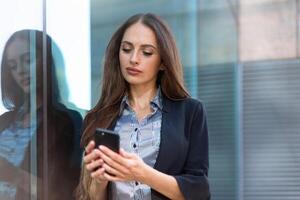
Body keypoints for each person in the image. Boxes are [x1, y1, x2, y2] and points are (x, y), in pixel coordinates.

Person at [76, 13, 210, 200]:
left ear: (163, 62)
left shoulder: (190, 112)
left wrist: (141, 173)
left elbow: (199, 191)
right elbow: (89, 196)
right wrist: (99, 181)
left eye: (146, 52)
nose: (133, 59)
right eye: (126, 49)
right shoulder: (96, 118)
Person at [0, 30, 82, 199]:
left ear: (46, 62)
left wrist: (14, 174)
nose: (20, 71)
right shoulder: (5, 121)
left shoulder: (66, 121)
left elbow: (63, 192)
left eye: (28, 60)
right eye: (13, 66)